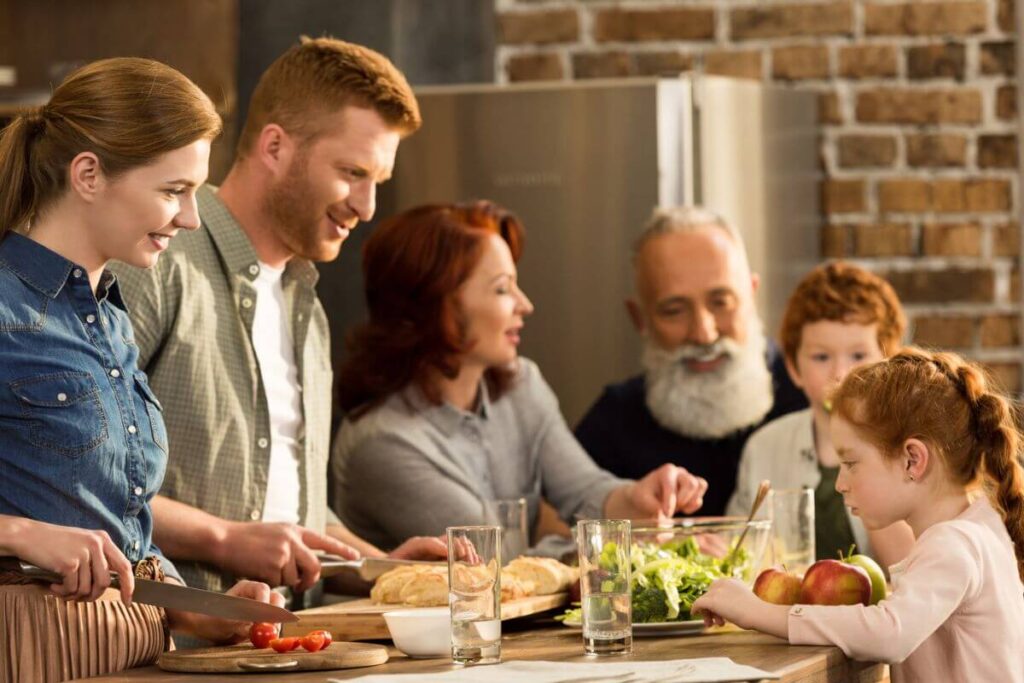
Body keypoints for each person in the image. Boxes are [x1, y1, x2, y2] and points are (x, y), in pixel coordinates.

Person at [110, 37, 445, 605]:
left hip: (285, 644)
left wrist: (376, 566)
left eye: (377, 183)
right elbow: (77, 476)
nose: (366, 207)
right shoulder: (156, 262)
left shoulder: (305, 304)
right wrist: (222, 540)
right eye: (352, 172)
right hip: (175, 650)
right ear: (274, 147)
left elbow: (284, 514)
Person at [0, 57, 282, 683]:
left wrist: (196, 612)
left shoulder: (112, 319)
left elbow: (112, 518)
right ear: (90, 175)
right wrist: (20, 534)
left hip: (134, 651)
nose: (190, 218)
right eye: (172, 190)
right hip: (30, 655)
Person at [331, 201, 709, 551]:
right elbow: (499, 568)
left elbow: (585, 490)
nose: (524, 305)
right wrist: (620, 546)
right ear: (435, 305)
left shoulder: (521, 384)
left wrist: (638, 499)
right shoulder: (384, 442)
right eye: (501, 289)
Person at [693, 348, 1024, 683]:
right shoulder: (981, 526)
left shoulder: (953, 543)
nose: (839, 484)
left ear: (912, 460)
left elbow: (889, 634)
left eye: (850, 463)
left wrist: (757, 612)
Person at [575, 206, 806, 515]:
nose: (704, 333)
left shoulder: (811, 393)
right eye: (675, 310)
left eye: (720, 302)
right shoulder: (614, 419)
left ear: (752, 294)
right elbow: (552, 520)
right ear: (639, 319)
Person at [727, 262, 915, 565]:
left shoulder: (913, 448)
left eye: (858, 355)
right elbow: (738, 552)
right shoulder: (764, 447)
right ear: (794, 368)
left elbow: (915, 567)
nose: (840, 374)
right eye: (821, 357)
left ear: (888, 361)